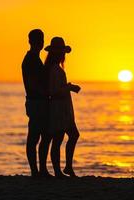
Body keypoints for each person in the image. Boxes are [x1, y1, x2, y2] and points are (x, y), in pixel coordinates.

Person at [44, 37, 80, 178]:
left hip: (62, 108)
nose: (63, 55)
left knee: (70, 136)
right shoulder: (54, 70)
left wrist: (67, 87)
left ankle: (67, 168)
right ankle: (60, 170)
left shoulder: (55, 69)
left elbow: (56, 89)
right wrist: (69, 87)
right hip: (59, 109)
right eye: (61, 52)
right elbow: (54, 91)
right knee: (59, 139)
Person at [21, 29, 52, 177]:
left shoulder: (35, 58)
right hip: (36, 102)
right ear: (31, 41)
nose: (40, 42)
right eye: (38, 39)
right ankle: (35, 171)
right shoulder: (31, 59)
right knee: (34, 137)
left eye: (41, 39)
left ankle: (42, 170)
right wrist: (47, 93)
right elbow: (33, 85)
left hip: (39, 102)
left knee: (44, 135)